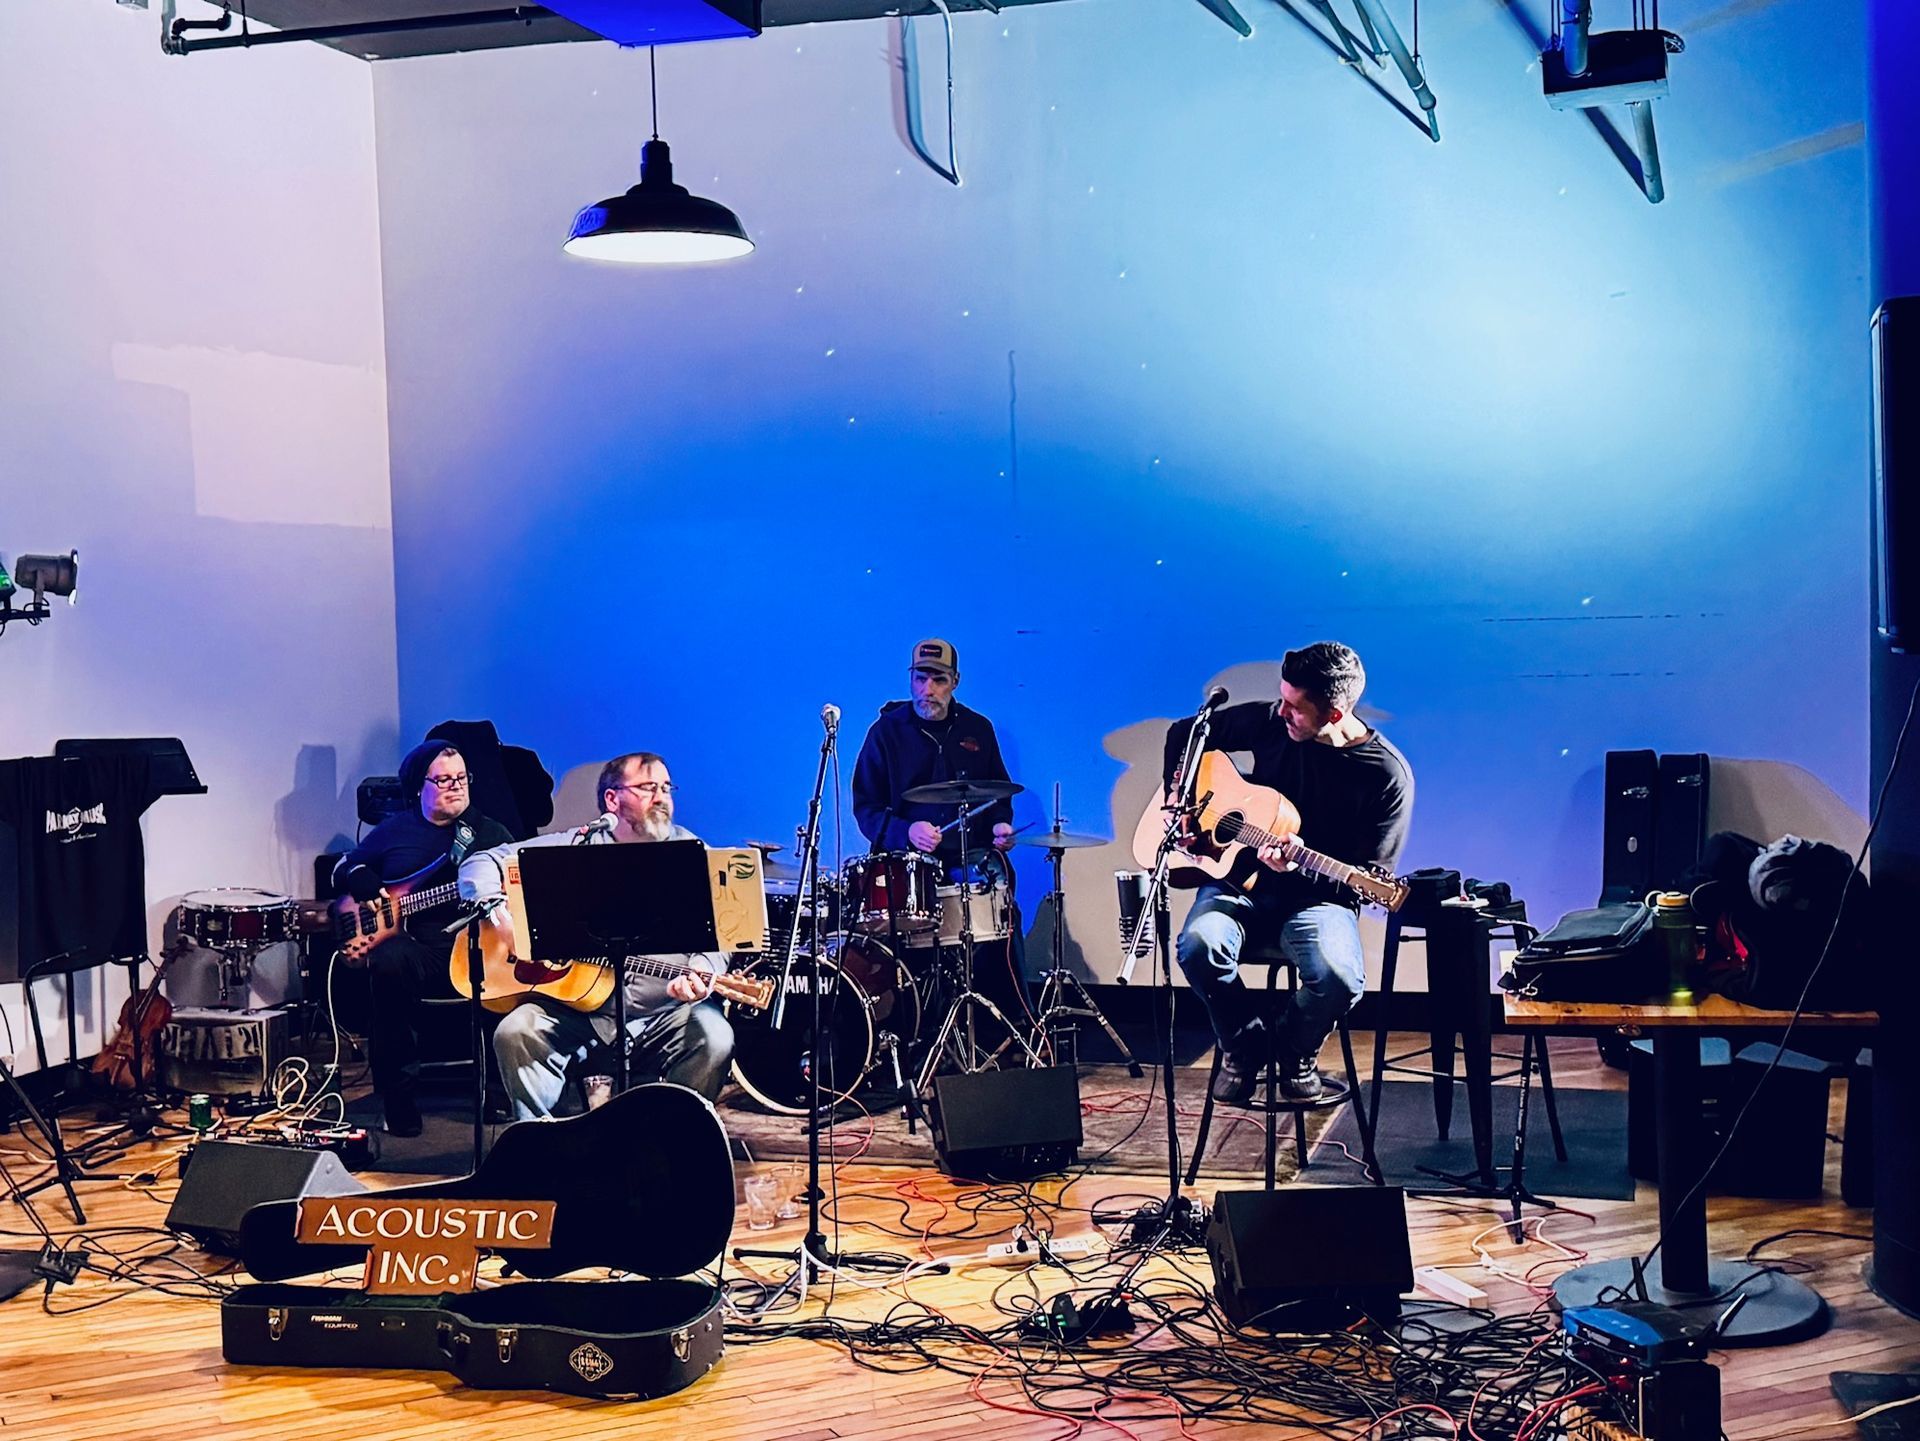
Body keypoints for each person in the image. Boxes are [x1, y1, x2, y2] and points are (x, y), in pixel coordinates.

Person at [1163, 642, 1412, 1103]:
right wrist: (1182, 808)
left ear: (1334, 715)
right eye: (1282, 698)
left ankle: (1292, 1049)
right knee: (1197, 946)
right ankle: (1242, 1046)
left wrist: (1302, 864)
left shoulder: (1385, 775)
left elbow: (1369, 875)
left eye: (1296, 708)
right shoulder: (1270, 721)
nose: (1282, 712)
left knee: (1339, 979)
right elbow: (1184, 734)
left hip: (1318, 900)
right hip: (1237, 884)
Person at [458, 752, 733, 1118]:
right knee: (515, 1031)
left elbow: (725, 931)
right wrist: (498, 915)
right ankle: (544, 1149)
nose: (662, 797)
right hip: (578, 1012)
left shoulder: (696, 857)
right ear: (611, 799)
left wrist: (701, 968)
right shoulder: (577, 847)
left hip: (663, 1012)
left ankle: (670, 1139)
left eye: (667, 788)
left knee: (715, 1037)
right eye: (648, 787)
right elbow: (480, 862)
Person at [333, 742, 514, 1136]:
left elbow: (517, 888)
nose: (455, 786)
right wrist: (359, 876)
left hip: (475, 949)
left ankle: (497, 1090)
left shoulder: (490, 833)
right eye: (443, 779)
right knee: (388, 961)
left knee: (506, 965)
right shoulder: (396, 829)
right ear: (419, 787)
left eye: (461, 778)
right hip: (420, 951)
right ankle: (397, 1097)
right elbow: (346, 867)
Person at [852, 638, 1029, 1028]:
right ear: (910, 678)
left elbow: (998, 792)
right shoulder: (885, 732)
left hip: (967, 857)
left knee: (1002, 906)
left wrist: (1001, 823)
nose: (927, 689)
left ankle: (1012, 1026)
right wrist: (905, 831)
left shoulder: (976, 729)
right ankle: (912, 1027)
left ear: (955, 681)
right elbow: (865, 808)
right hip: (906, 864)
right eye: (920, 678)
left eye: (938, 679)